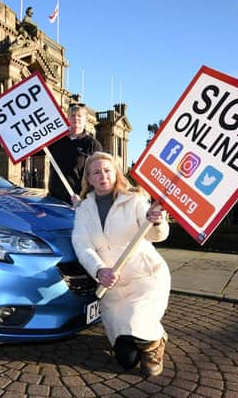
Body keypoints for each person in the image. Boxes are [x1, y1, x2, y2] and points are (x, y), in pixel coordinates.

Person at [71, 151, 170, 376]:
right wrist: (99, 270)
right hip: (111, 286)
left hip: (145, 278)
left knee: (139, 327)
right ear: (89, 178)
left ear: (116, 173)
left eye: (108, 170)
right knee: (126, 360)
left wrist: (157, 221)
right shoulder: (83, 210)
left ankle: (154, 343)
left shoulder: (134, 200)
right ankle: (153, 336)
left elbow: (157, 235)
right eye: (96, 172)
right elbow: (82, 245)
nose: (103, 175)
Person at [47, 103, 102, 204]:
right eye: (72, 115)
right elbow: (34, 153)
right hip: (53, 199)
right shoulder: (56, 140)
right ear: (67, 118)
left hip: (78, 201)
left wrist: (87, 199)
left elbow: (98, 174)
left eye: (79, 116)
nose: (76, 118)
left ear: (85, 119)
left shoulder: (93, 144)